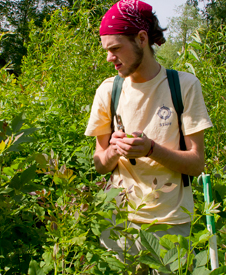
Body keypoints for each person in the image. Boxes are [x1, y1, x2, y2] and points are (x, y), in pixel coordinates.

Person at [84, 0, 212, 273]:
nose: (109, 58)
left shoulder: (184, 86)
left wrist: (151, 149)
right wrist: (114, 151)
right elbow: (98, 163)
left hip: (170, 222)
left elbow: (196, 163)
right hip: (118, 222)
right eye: (106, 50)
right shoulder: (108, 91)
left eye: (116, 48)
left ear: (141, 39)